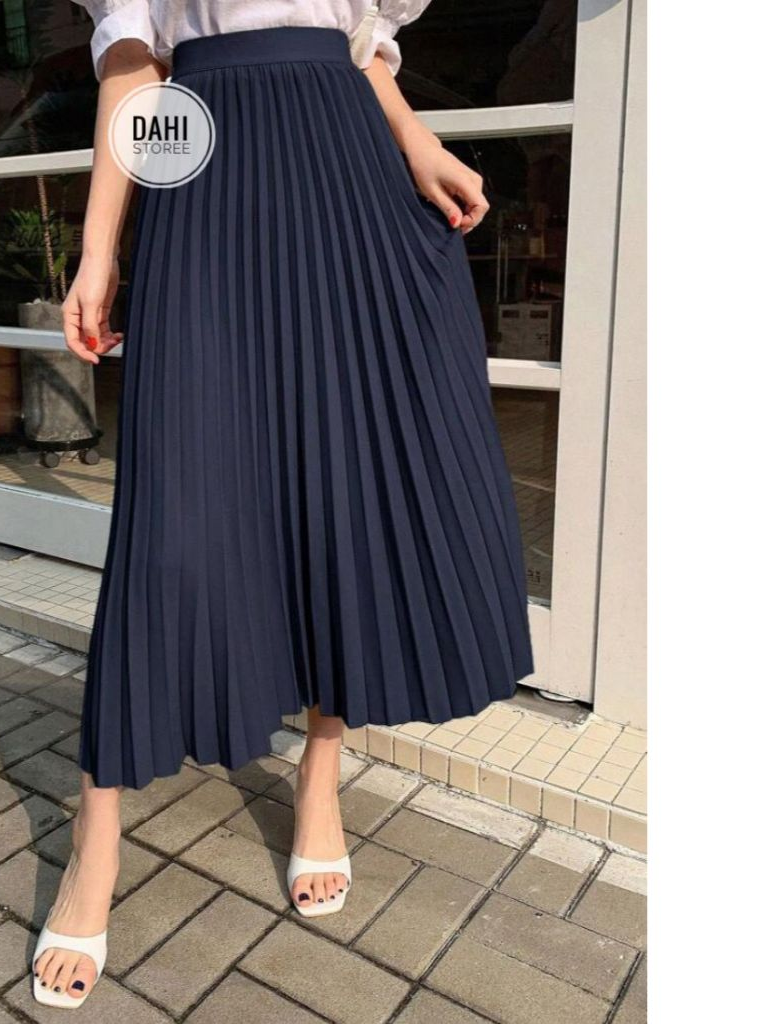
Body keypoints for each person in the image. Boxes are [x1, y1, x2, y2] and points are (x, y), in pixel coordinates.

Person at [32, 1, 534, 1007]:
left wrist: (415, 139)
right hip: (204, 166)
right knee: (172, 520)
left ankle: (319, 776)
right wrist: (99, 248)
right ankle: (96, 837)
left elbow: (361, 45)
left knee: (343, 486)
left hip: (349, 171)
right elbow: (133, 64)